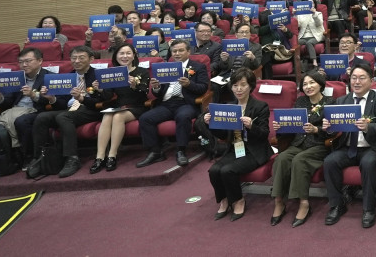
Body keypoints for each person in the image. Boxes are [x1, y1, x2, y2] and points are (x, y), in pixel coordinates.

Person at [323, 63, 376, 228]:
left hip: (370, 147)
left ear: (371, 81)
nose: (357, 82)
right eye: (354, 78)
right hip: (347, 147)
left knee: (368, 163)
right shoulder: (342, 100)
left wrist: (367, 127)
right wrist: (329, 128)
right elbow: (335, 129)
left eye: (362, 78)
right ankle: (337, 205)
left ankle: (369, 209)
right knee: (330, 162)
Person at [28, 46, 105, 178]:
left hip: (91, 109)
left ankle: (72, 158)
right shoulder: (67, 77)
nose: (77, 61)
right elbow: (62, 103)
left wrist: (82, 99)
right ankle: (39, 158)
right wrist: (51, 98)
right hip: (69, 110)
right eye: (74, 58)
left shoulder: (98, 75)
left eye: (81, 58)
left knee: (64, 117)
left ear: (91, 59)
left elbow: (102, 100)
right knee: (42, 117)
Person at [205, 68, 271, 221]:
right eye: (235, 85)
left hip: (254, 151)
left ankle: (238, 200)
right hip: (235, 148)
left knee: (227, 170)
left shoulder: (260, 106)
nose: (238, 89)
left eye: (243, 85)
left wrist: (251, 126)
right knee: (214, 170)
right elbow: (223, 136)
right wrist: (211, 124)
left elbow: (264, 134)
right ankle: (224, 200)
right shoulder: (229, 107)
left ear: (251, 86)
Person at [136, 39, 210, 168]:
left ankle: (181, 150)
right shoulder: (164, 68)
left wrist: (189, 84)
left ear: (188, 52)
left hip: (186, 103)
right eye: (174, 51)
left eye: (181, 50)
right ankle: (155, 151)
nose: (177, 53)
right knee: (145, 118)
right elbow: (158, 94)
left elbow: (203, 88)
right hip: (166, 103)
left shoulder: (198, 67)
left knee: (183, 116)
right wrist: (156, 87)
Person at [271, 71, 329, 228]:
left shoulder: (330, 102)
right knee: (282, 158)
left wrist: (316, 130)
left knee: (299, 160)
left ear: (320, 84)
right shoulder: (300, 101)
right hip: (298, 143)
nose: (308, 87)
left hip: (319, 145)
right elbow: (293, 125)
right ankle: (279, 201)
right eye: (305, 84)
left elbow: (334, 130)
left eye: (312, 83)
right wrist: (281, 127)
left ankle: (304, 203)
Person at [90, 43, 151, 173]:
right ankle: (100, 157)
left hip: (137, 106)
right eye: (121, 53)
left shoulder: (142, 71)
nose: (125, 56)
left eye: (128, 53)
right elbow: (108, 96)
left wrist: (134, 86)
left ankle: (112, 155)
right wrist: (100, 89)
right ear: (116, 56)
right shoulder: (113, 73)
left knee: (118, 116)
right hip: (119, 106)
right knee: (107, 115)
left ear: (133, 55)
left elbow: (144, 94)